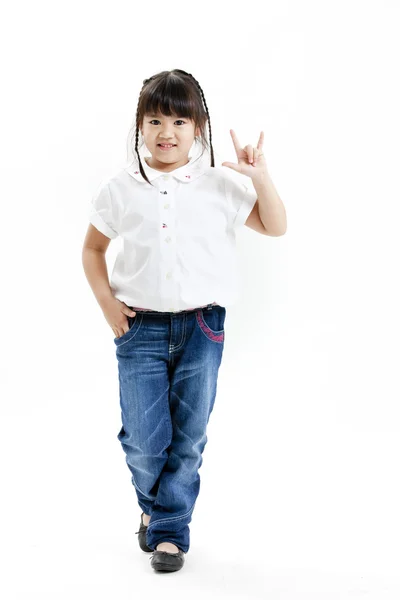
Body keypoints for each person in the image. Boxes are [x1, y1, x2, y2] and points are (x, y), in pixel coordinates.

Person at [82, 68, 286, 573]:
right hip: (139, 329)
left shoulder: (219, 183)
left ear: (198, 128)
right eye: (154, 120)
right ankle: (154, 509)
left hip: (202, 329)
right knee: (146, 439)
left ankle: (169, 531)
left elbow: (276, 226)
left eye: (179, 120)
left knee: (189, 437)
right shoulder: (120, 188)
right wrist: (108, 302)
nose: (166, 132)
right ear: (139, 127)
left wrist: (258, 175)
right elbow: (92, 249)